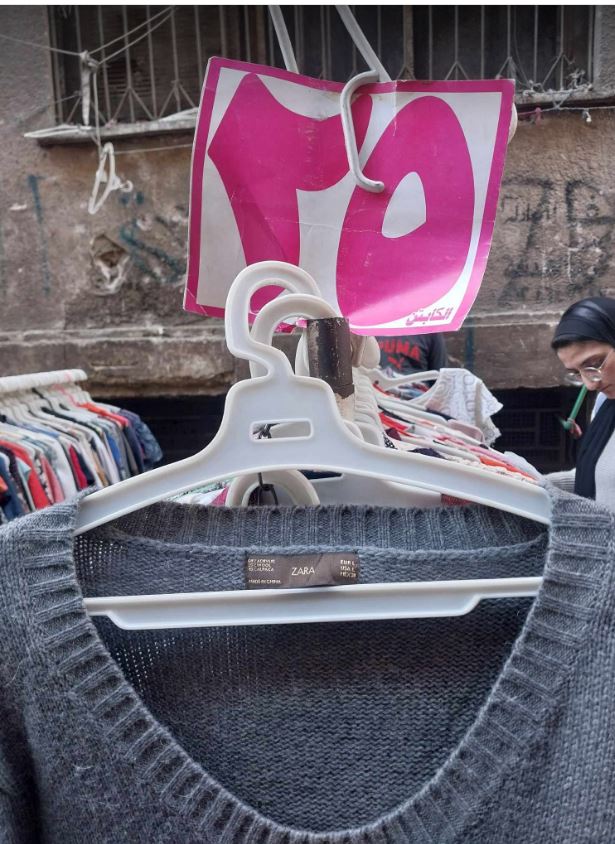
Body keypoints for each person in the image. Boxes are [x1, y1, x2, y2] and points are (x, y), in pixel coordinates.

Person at [549, 296, 615, 505]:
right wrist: (526, 481)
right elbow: (598, 476)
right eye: (577, 373)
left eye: (594, 364)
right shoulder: (605, 403)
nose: (590, 384)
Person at [376, 333, 448, 376]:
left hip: (418, 392)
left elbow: (440, 375)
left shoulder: (432, 331)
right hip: (380, 389)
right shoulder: (375, 327)